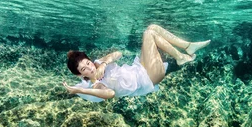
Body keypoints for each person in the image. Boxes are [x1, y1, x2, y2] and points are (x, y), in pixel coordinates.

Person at [62, 24, 210, 101]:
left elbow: (118, 54)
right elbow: (110, 93)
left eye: (87, 63)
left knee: (152, 27)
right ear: (80, 75)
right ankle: (182, 55)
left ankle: (187, 48)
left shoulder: (99, 63)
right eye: (83, 69)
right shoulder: (98, 85)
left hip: (140, 66)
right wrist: (79, 90)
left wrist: (104, 63)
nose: (89, 68)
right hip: (147, 78)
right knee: (149, 34)